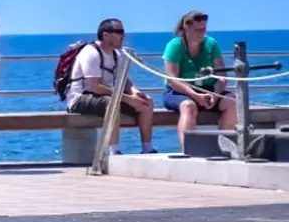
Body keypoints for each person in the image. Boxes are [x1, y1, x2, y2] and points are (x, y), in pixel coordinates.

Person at [66, 18, 157, 155]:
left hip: (101, 97)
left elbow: (124, 81)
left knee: (147, 101)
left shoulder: (116, 55)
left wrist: (135, 93)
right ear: (105, 35)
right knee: (112, 103)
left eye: (123, 32)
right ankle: (113, 151)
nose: (123, 36)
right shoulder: (91, 53)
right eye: (119, 32)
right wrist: (128, 99)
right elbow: (94, 87)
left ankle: (147, 148)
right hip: (80, 98)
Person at [162, 10, 236, 150]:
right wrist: (195, 95)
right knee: (188, 106)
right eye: (198, 29)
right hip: (179, 92)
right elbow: (172, 79)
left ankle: (225, 147)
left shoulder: (211, 43)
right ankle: (189, 150)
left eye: (204, 29)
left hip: (209, 90)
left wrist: (216, 93)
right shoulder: (175, 45)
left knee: (232, 103)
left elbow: (222, 74)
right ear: (186, 27)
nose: (201, 33)